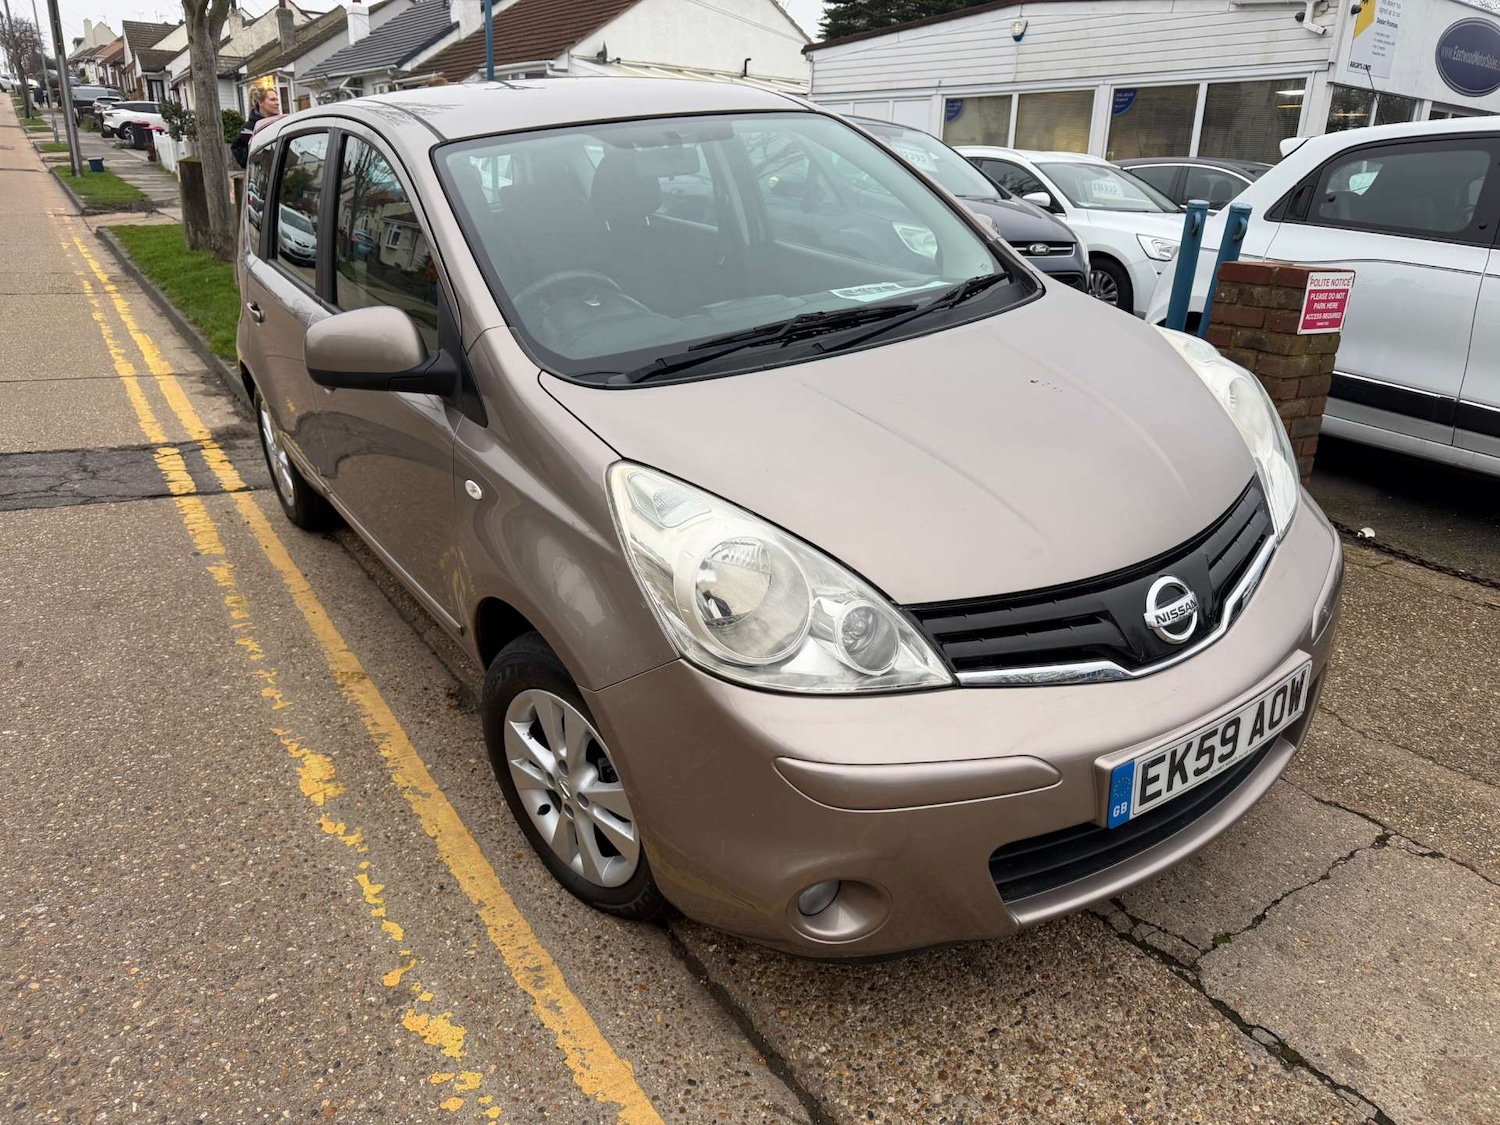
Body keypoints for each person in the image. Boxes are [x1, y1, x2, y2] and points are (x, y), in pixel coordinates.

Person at [231, 87, 281, 168]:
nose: (277, 103)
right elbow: (240, 154)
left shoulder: (281, 123)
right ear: (261, 102)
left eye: (277, 100)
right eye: (272, 100)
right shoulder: (249, 129)